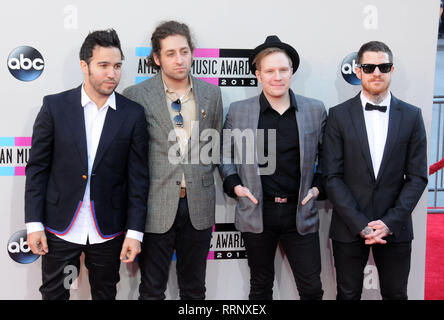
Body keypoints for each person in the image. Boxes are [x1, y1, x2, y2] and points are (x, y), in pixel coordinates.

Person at [24, 29, 149, 300]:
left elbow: (138, 179)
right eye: (103, 65)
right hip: (60, 224)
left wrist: (134, 232)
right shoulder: (55, 106)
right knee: (54, 294)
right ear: (85, 65)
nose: (112, 73)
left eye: (117, 66)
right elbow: (37, 169)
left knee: (105, 294)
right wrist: (34, 224)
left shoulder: (133, 114)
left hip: (109, 227)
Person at [219, 35, 326, 300]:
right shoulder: (239, 110)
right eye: (269, 71)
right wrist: (235, 186)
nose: (277, 76)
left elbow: (329, 156)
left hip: (300, 212)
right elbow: (224, 152)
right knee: (260, 287)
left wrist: (317, 188)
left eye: (283, 70)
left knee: (312, 289)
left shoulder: (314, 109)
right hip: (257, 210)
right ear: (258, 75)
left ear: (291, 72)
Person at [123, 20, 223, 300]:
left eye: (184, 51)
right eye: (170, 53)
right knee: (152, 290)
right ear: (156, 58)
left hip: (199, 207)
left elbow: (212, 146)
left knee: (195, 291)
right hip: (155, 206)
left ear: (192, 52)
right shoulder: (136, 96)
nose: (179, 59)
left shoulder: (211, 94)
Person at [322, 41, 428, 300]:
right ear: (358, 71)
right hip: (349, 226)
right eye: (369, 67)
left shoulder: (412, 116)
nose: (376, 73)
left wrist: (389, 222)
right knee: (347, 295)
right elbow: (331, 176)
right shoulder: (338, 116)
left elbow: (417, 177)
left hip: (396, 226)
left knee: (396, 294)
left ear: (392, 70)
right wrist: (360, 224)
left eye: (383, 66)